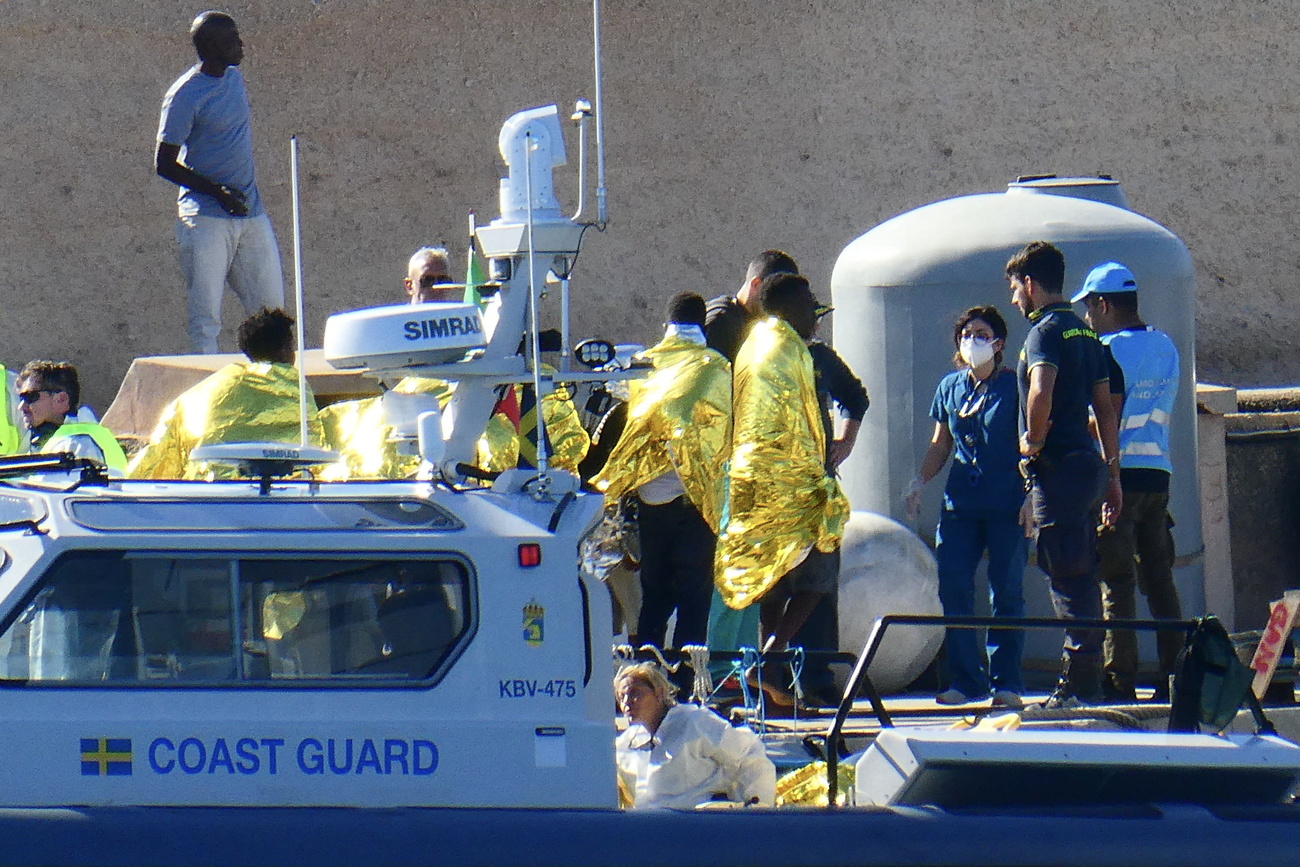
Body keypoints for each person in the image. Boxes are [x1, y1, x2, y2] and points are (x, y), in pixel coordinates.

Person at [712, 273, 850, 703]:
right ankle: (774, 653)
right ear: (788, 307)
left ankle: (769, 661)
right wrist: (821, 483)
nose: (815, 314)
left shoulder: (752, 344)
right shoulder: (791, 349)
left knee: (770, 577)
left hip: (748, 482)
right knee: (820, 566)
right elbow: (806, 422)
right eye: (810, 305)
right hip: (788, 482)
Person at [1007, 241, 1122, 707]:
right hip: (1089, 469)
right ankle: (1086, 676)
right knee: (1082, 569)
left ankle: (1079, 685)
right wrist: (1112, 475)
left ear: (1031, 285)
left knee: (1067, 573)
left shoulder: (1044, 333)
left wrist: (1032, 441)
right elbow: (1106, 410)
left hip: (1058, 472)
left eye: (1016, 290)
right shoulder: (1086, 334)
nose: (1016, 300)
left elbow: (1040, 390)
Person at [594, 293, 731, 654]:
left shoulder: (644, 365)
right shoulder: (714, 366)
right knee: (694, 597)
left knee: (655, 593)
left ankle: (648, 672)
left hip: (651, 500)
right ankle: (687, 682)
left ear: (666, 324)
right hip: (695, 501)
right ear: (702, 324)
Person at [903, 307, 1027, 709]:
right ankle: (965, 678)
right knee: (953, 583)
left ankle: (1006, 680)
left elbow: (1032, 439)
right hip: (960, 504)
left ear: (998, 343)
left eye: (981, 333)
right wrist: (919, 481)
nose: (973, 340)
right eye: (967, 334)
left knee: (1005, 588)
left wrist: (1032, 495)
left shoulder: (1016, 386)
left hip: (1007, 500)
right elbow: (941, 443)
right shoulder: (951, 387)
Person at [1073, 262, 1184, 702]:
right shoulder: (1165, 345)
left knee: (1116, 580)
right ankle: (1176, 677)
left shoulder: (1105, 350)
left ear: (1103, 304)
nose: (1086, 316)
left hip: (1116, 475)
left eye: (1088, 307)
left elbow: (1103, 418)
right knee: (1159, 578)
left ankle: (1120, 681)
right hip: (1158, 474)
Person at [156, 11, 284, 354]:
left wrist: (234, 196)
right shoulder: (184, 95)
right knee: (206, 320)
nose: (241, 45)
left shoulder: (234, 78)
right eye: (232, 40)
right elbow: (164, 163)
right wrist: (217, 192)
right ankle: (208, 389)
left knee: (274, 315)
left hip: (250, 213)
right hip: (205, 219)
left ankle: (277, 386)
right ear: (212, 47)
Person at [128, 308, 324, 480]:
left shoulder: (211, 387)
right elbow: (316, 443)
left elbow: (162, 447)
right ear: (284, 351)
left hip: (208, 491)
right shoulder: (293, 384)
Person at [793, 317, 869, 705]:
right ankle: (773, 674)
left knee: (820, 581)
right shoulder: (755, 352)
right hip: (771, 488)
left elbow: (855, 396)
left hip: (817, 486)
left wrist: (845, 441)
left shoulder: (818, 356)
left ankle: (816, 678)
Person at [614, 662, 775, 810]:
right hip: (651, 830)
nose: (627, 702)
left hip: (701, 825)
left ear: (659, 692)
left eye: (634, 693)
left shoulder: (694, 722)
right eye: (621, 697)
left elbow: (749, 753)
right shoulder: (625, 744)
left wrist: (758, 809)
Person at [16, 361, 127, 472]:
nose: (21, 407)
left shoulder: (78, 444)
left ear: (61, 399)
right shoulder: (66, 439)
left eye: (30, 397)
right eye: (21, 399)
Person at [704, 250, 799, 363]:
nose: (779, 306)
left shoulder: (758, 324)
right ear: (756, 284)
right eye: (776, 295)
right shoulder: (719, 322)